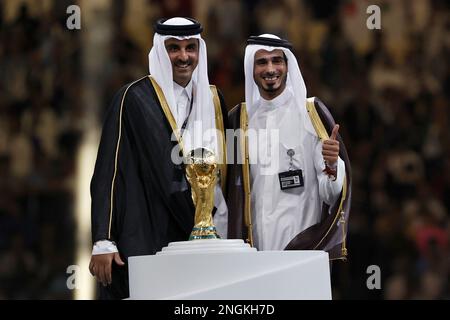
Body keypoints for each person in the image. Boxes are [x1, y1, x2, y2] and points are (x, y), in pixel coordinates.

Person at [89, 17, 229, 299]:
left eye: (191, 47)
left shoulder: (214, 100)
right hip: (147, 228)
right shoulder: (133, 98)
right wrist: (103, 238)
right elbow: (109, 172)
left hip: (203, 237)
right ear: (159, 51)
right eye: (173, 48)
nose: (183, 56)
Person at [226, 34, 351, 260]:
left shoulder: (311, 114)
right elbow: (230, 195)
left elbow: (331, 195)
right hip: (253, 257)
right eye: (262, 62)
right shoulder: (238, 121)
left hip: (301, 254)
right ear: (251, 68)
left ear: (287, 65)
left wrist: (332, 165)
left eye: (277, 61)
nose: (270, 69)